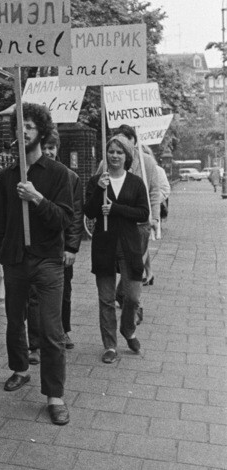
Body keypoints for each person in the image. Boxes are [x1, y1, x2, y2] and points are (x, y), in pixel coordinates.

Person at [0, 103, 74, 426]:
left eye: (30, 125)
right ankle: (20, 368)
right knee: (14, 320)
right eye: (20, 126)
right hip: (15, 259)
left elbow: (63, 219)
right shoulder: (7, 177)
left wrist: (37, 198)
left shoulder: (59, 175)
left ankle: (55, 396)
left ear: (41, 132)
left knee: (50, 328)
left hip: (47, 260)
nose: (25, 131)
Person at [83, 134, 149, 363]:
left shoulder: (135, 182)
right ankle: (110, 345)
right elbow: (89, 212)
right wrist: (98, 192)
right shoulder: (97, 181)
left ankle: (128, 329)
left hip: (129, 247)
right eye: (111, 151)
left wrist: (116, 209)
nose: (114, 156)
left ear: (127, 156)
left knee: (131, 297)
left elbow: (143, 213)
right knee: (106, 299)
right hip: (104, 245)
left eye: (120, 152)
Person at [27, 128, 83, 353]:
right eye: (45, 147)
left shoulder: (69, 176)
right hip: (36, 246)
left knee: (63, 292)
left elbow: (76, 214)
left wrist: (71, 247)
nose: (48, 152)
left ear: (58, 149)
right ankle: (35, 340)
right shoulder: (29, 174)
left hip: (59, 246)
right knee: (33, 296)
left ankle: (62, 329)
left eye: (52, 148)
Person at [110, 125, 160, 299]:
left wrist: (155, 217)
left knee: (134, 263)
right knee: (119, 262)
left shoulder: (147, 161)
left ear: (134, 141)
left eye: (127, 140)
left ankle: (132, 302)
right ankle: (123, 294)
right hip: (115, 222)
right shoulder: (107, 161)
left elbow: (154, 190)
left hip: (140, 223)